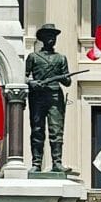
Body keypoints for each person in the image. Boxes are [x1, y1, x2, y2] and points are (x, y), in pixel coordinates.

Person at [25, 23, 70, 174]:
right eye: (49, 36)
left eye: (54, 37)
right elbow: (23, 77)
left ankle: (57, 163)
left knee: (56, 131)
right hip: (37, 97)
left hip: (55, 96)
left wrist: (64, 77)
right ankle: (36, 163)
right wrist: (32, 82)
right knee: (37, 130)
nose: (52, 39)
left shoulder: (61, 58)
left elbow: (68, 82)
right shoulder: (33, 57)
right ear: (43, 38)